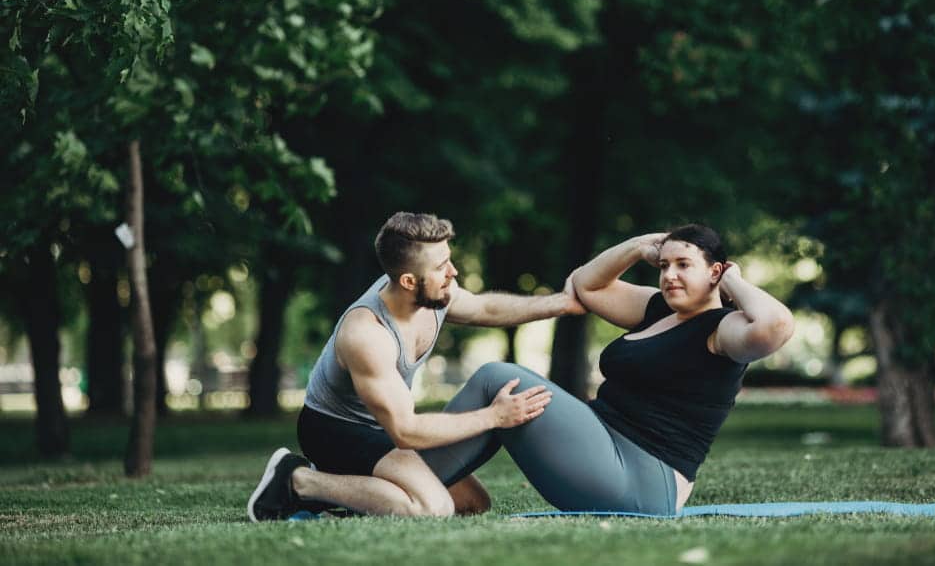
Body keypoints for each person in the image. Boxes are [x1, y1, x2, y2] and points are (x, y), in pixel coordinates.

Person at [399, 223, 795, 515]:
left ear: (714, 271)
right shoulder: (657, 308)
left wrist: (734, 280)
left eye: (684, 265)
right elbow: (584, 286)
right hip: (604, 445)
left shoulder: (721, 329)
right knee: (498, 384)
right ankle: (401, 482)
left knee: (498, 378)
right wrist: (637, 247)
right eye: (665, 264)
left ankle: (394, 480)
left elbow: (775, 326)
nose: (670, 274)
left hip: (643, 477)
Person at [248, 212, 584, 521]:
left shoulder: (433, 293)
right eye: (441, 267)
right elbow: (406, 431)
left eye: (449, 259)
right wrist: (494, 417)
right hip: (336, 431)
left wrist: (560, 304)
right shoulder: (367, 334)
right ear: (409, 281)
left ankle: (359, 495)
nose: (452, 273)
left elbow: (486, 309)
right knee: (433, 507)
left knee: (472, 503)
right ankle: (300, 480)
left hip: (381, 429)